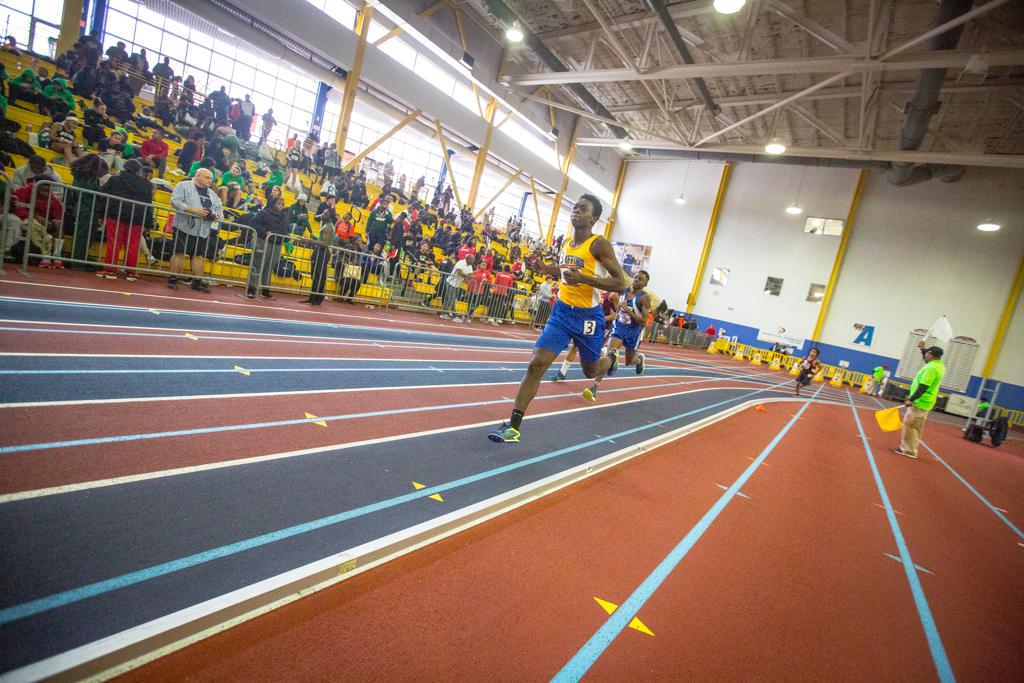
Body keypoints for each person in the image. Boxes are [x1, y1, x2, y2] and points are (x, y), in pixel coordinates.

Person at [489, 194, 627, 443]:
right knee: (536, 365)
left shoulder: (599, 244)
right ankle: (513, 426)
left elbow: (620, 281)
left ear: (594, 218)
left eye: (583, 209)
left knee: (590, 371)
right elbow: (566, 271)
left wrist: (584, 279)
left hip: (589, 317)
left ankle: (612, 358)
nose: (576, 211)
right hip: (562, 313)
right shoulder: (568, 242)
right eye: (575, 207)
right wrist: (547, 269)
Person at [579, 271, 651, 401]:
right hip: (619, 328)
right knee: (608, 354)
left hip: (634, 331)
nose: (636, 280)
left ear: (645, 284)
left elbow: (643, 322)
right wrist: (617, 316)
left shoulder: (644, 298)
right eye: (635, 277)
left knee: (629, 362)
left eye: (640, 279)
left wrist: (628, 309)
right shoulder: (623, 291)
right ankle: (594, 388)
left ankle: (639, 359)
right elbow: (619, 309)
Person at [97, 160, 154, 281]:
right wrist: (149, 223)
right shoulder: (147, 185)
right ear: (139, 170)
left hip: (116, 215)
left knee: (114, 243)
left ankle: (110, 270)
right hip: (137, 218)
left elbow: (104, 197)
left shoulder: (114, 180)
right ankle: (131, 272)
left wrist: (101, 214)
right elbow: (149, 205)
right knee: (133, 245)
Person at [168, 168, 223, 292]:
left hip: (202, 230)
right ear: (197, 176)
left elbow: (220, 213)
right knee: (178, 253)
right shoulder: (183, 185)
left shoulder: (213, 194)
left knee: (199, 256)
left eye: (211, 178)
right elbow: (174, 201)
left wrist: (214, 215)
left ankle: (197, 281)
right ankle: (172, 279)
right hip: (183, 225)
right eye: (207, 177)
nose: (210, 180)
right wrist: (193, 210)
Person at [894, 344, 945, 459]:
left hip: (920, 402)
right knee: (915, 426)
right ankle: (909, 448)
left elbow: (923, 386)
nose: (925, 355)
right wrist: (922, 349)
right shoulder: (937, 365)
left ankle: (908, 450)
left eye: (927, 353)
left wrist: (912, 399)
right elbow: (926, 359)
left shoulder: (931, 368)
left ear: (931, 355)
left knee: (910, 425)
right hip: (925, 402)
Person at [441, 253, 474, 323]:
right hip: (450, 282)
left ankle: (443, 313)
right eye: (472, 259)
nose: (473, 261)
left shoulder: (470, 266)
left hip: (457, 284)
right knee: (452, 299)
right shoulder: (460, 263)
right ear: (467, 259)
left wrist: (470, 277)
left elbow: (470, 274)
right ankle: (455, 316)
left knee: (447, 299)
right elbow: (459, 272)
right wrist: (469, 277)